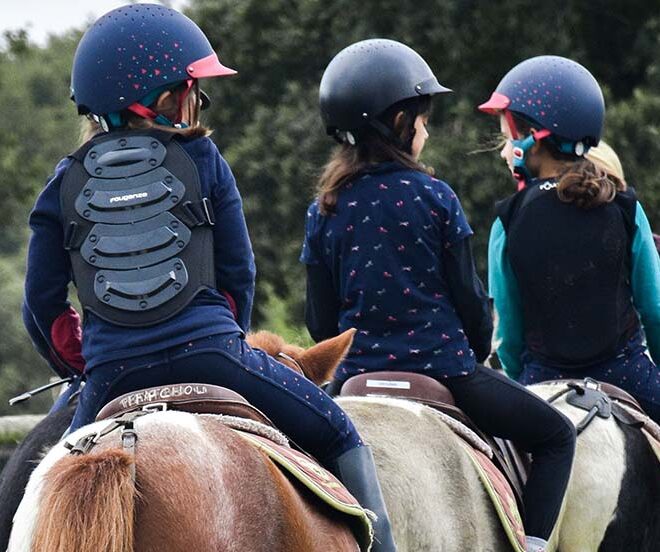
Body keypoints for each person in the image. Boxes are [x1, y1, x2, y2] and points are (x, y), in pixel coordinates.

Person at [21, 5, 396, 550]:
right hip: (214, 354)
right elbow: (238, 275)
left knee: (45, 487)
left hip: (112, 375)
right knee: (338, 429)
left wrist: (83, 360)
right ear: (161, 96)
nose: (198, 98)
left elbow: (42, 306)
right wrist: (224, 338)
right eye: (190, 87)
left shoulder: (62, 183)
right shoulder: (203, 157)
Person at [301, 39, 576, 552]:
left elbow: (320, 322)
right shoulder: (435, 197)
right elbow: (471, 304)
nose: (426, 129)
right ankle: (535, 545)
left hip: (356, 376)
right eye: (422, 118)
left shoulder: (325, 209)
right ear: (399, 122)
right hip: (445, 370)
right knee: (557, 436)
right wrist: (474, 353)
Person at [480, 55, 660, 426]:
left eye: (508, 136)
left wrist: (520, 378)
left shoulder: (506, 221)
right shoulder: (627, 208)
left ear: (537, 136)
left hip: (543, 380)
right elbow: (654, 309)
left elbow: (509, 335)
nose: (503, 150)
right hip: (628, 374)